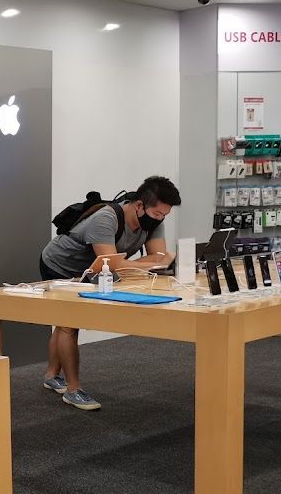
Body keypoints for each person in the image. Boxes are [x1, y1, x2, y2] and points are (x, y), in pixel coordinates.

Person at [38, 176, 181, 411]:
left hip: (91, 269)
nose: (160, 220)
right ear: (139, 206)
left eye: (164, 215)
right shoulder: (106, 218)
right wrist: (136, 263)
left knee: (63, 321)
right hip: (60, 264)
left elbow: (158, 260)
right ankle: (73, 390)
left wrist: (131, 263)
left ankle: (52, 375)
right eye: (157, 214)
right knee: (68, 322)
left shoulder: (154, 221)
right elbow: (113, 264)